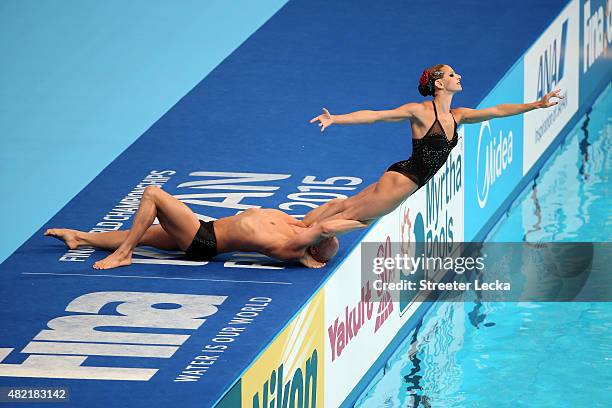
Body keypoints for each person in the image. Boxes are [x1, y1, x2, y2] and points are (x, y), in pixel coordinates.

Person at [305, 64, 564, 225]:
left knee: (345, 207)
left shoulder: (458, 115)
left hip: (405, 176)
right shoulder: (420, 111)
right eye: (453, 74)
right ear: (440, 84)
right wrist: (335, 119)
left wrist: (536, 104)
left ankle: (300, 228)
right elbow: (375, 115)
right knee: (350, 217)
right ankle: (299, 244)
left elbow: (497, 110)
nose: (459, 76)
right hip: (403, 181)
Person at [45, 186, 367, 270]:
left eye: (327, 238)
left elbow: (325, 227)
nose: (328, 233)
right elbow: (334, 206)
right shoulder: (297, 225)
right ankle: (80, 237)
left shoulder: (289, 246)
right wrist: (365, 205)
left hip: (202, 240)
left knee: (153, 194)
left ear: (311, 248)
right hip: (205, 228)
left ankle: (124, 254)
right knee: (145, 233)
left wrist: (364, 223)